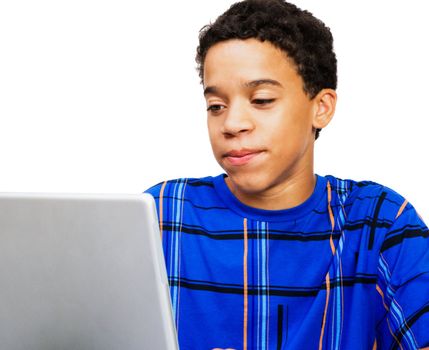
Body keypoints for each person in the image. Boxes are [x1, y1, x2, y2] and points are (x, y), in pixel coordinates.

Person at [144, 0, 429, 349]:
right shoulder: (161, 216)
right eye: (216, 106)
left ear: (321, 108)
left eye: (261, 100)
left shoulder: (378, 223)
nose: (232, 124)